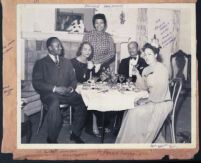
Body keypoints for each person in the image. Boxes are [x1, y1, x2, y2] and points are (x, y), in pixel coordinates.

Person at [32, 37, 87, 144]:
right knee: (54, 103)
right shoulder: (40, 63)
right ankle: (51, 138)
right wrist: (55, 89)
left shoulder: (67, 62)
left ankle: (75, 134)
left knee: (82, 101)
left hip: (66, 93)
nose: (61, 48)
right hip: (50, 94)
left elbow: (73, 80)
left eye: (60, 45)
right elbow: (37, 83)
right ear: (50, 48)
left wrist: (71, 88)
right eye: (57, 46)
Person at [116, 42, 173, 143]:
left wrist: (146, 100)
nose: (146, 57)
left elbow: (160, 91)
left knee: (135, 112)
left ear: (155, 55)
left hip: (161, 102)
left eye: (149, 54)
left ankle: (138, 143)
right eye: (145, 54)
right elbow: (144, 87)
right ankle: (132, 142)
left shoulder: (161, 68)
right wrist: (137, 75)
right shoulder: (146, 69)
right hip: (153, 100)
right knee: (131, 107)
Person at [83, 13, 116, 135]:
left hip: (103, 69)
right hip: (90, 67)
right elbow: (84, 49)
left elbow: (112, 53)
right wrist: (91, 62)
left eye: (101, 22)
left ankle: (102, 124)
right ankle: (92, 126)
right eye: (96, 23)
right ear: (94, 24)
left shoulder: (108, 37)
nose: (99, 25)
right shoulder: (88, 35)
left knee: (104, 95)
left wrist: (99, 63)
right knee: (91, 96)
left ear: (105, 24)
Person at [70, 42, 100, 137]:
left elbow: (88, 79)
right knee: (88, 98)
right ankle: (90, 126)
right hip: (74, 88)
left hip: (85, 88)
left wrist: (92, 70)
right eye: (85, 49)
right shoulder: (72, 62)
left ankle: (92, 126)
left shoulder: (90, 63)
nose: (87, 51)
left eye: (89, 49)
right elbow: (72, 79)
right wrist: (88, 69)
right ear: (80, 50)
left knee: (96, 96)